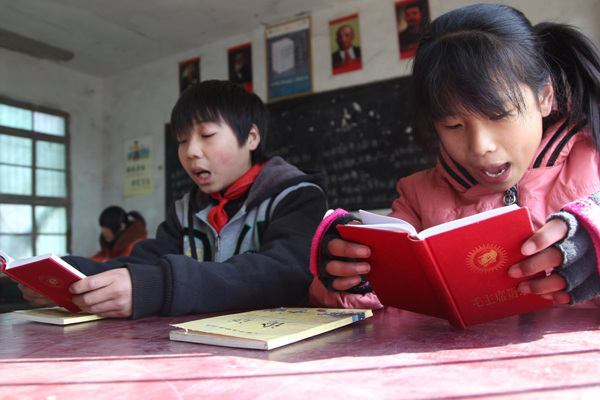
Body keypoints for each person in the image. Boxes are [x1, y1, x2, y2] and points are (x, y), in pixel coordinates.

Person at [310, 3, 600, 310]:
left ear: (544, 97)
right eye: (453, 125)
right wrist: (344, 273)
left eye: (499, 115)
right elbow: (370, 306)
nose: (479, 146)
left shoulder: (593, 161)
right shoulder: (417, 201)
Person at [18, 80, 328, 319]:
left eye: (206, 135)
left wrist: (160, 287)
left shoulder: (297, 196)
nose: (191, 151)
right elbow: (142, 264)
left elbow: (285, 274)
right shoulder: (185, 211)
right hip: (198, 344)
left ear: (251, 137)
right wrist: (71, 276)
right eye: (181, 140)